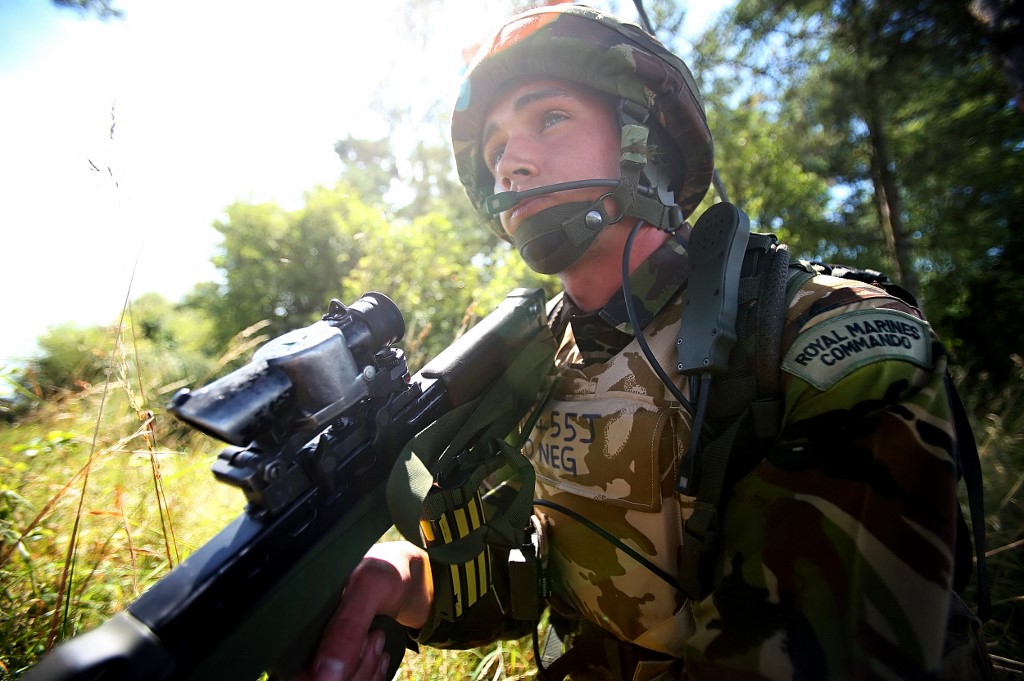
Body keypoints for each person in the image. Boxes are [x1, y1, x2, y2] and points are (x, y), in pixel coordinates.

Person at [301, 5, 974, 680]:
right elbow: (539, 574)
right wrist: (407, 582)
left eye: (550, 118)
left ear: (645, 142)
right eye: (495, 148)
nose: (511, 165)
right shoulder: (538, 358)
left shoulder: (822, 341)